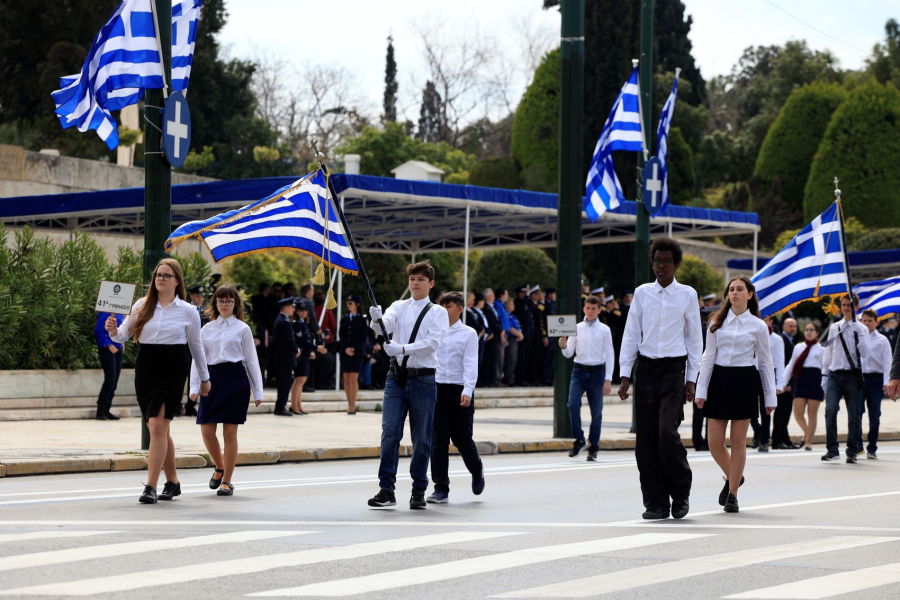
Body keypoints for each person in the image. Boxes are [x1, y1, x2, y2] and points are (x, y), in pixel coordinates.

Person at [106, 258, 210, 504]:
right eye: (158, 275)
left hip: (174, 365)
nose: (161, 279)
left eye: (166, 275)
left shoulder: (188, 310)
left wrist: (204, 378)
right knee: (158, 428)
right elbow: (123, 335)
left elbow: (196, 346)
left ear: (177, 281)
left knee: (158, 426)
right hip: (147, 365)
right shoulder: (141, 305)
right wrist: (112, 330)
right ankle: (172, 481)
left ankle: (150, 486)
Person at [618, 238, 702, 520]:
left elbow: (694, 338)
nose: (661, 266)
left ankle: (680, 494)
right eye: (657, 261)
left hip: (674, 371)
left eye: (666, 261)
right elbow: (631, 334)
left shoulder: (688, 294)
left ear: (676, 264)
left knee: (667, 432)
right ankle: (655, 502)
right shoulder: (642, 293)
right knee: (646, 439)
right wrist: (625, 375)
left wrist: (692, 379)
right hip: (646, 370)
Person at [366, 260, 450, 510]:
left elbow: (433, 343)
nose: (415, 283)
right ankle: (386, 489)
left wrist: (402, 348)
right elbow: (384, 327)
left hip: (423, 378)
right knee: (390, 432)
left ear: (431, 283)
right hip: (396, 377)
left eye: (421, 279)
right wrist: (376, 319)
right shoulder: (398, 306)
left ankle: (418, 490)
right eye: (412, 279)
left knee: (421, 438)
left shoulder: (438, 312)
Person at [695, 276, 777, 514]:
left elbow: (765, 363)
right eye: (731, 289)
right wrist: (701, 390)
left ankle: (732, 494)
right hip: (719, 381)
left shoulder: (759, 326)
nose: (734, 293)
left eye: (740, 289)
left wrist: (770, 398)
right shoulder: (715, 323)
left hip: (745, 382)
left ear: (750, 295)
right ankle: (735, 476)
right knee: (713, 442)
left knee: (739, 440)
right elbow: (707, 359)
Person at [188, 285, 263, 497]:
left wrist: (258, 391)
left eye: (229, 301)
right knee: (206, 429)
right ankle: (219, 467)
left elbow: (251, 360)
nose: (225, 304)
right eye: (221, 301)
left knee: (230, 433)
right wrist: (194, 386)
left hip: (236, 380)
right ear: (215, 303)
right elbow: (199, 359)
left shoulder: (243, 329)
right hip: (211, 379)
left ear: (235, 304)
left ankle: (227, 481)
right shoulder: (206, 329)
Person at [427, 291, 485, 503]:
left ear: (459, 309)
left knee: (462, 440)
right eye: (441, 306)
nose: (443, 310)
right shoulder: (433, 331)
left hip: (460, 390)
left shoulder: (468, 333)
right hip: (437, 390)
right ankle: (441, 488)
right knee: (438, 441)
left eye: (448, 306)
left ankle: (476, 469)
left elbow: (471, 363)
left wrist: (468, 390)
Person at [558, 295, 614, 462]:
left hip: (597, 372)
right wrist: (563, 346)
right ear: (584, 309)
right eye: (587, 308)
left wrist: (608, 379)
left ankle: (593, 446)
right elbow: (569, 353)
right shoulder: (577, 327)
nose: (590, 311)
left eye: (593, 308)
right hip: (579, 371)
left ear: (599, 310)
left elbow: (610, 354)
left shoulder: (605, 329)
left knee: (596, 413)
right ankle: (579, 439)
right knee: (572, 403)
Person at [820, 294, 869, 463]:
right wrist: (824, 375)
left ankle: (852, 450)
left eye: (849, 305)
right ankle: (832, 450)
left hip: (852, 376)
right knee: (830, 410)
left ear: (856, 307)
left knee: (854, 415)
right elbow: (828, 352)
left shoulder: (861, 328)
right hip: (834, 374)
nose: (846, 308)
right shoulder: (835, 327)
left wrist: (859, 336)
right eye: (844, 305)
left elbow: (865, 354)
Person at [785, 322, 825, 450]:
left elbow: (825, 369)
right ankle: (808, 433)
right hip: (801, 379)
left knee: (812, 413)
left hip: (815, 380)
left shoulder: (822, 349)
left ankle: (808, 442)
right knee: (798, 413)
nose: (808, 332)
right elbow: (791, 365)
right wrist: (782, 382)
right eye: (807, 329)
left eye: (812, 330)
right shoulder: (799, 347)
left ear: (816, 333)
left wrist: (825, 387)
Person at [857, 309, 891, 459]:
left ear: (876, 322)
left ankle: (872, 448)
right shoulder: (857, 338)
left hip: (876, 379)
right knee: (856, 413)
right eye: (864, 320)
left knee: (875, 415)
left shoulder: (882, 340)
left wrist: (886, 383)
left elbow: (887, 363)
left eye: (870, 320)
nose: (867, 323)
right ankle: (857, 446)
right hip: (859, 379)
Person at [750, 319, 786, 453]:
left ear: (771, 321)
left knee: (766, 409)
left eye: (767, 319)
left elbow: (779, 360)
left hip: (768, 372)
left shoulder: (776, 339)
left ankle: (764, 440)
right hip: (752, 372)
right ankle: (758, 431)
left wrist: (779, 383)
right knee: (749, 407)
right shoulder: (751, 333)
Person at [772, 318, 799, 449]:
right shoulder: (781, 341)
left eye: (794, 326)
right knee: (780, 413)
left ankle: (785, 439)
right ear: (784, 327)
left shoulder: (791, 342)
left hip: (790, 384)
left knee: (786, 413)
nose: (793, 328)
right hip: (783, 384)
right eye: (790, 326)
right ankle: (777, 440)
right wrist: (782, 383)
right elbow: (781, 363)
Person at [289, 299, 319, 415]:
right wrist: (315, 348)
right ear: (296, 311)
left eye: (305, 310)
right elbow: (301, 341)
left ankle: (298, 405)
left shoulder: (303, 324)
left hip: (305, 355)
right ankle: (294, 405)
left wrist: (311, 350)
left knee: (301, 381)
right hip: (300, 356)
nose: (303, 312)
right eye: (301, 310)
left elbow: (307, 340)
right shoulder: (297, 324)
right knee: (299, 380)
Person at [340, 294, 368, 414]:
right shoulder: (344, 318)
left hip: (357, 352)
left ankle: (353, 404)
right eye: (347, 303)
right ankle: (349, 403)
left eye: (351, 303)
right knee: (346, 378)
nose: (348, 305)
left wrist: (354, 349)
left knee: (353, 377)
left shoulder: (362, 319)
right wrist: (346, 348)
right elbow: (342, 335)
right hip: (345, 352)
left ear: (357, 304)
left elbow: (363, 337)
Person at [94, 311, 124, 421]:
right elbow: (98, 330)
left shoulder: (120, 313)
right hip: (107, 349)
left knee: (115, 380)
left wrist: (122, 342)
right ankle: (100, 410)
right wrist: (108, 345)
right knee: (110, 379)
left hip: (118, 348)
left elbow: (121, 330)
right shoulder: (106, 312)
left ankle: (107, 409)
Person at [272, 296, 299, 417]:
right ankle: (280, 406)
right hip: (284, 358)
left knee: (286, 382)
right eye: (292, 306)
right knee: (284, 383)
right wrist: (296, 349)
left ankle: (281, 405)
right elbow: (288, 340)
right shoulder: (283, 321)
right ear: (287, 307)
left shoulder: (283, 320)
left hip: (284, 358)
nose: (294, 309)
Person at [481, 289, 503, 387]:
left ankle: (490, 379)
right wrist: (500, 330)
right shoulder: (486, 308)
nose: (494, 297)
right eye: (492, 295)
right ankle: (486, 379)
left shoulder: (491, 307)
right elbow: (492, 322)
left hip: (495, 336)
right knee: (488, 359)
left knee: (492, 359)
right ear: (487, 297)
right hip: (491, 337)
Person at [493, 288, 511, 386]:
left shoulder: (501, 305)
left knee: (502, 357)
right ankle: (497, 379)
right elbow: (499, 319)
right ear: (502, 294)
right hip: (502, 333)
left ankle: (499, 378)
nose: (507, 296)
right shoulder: (498, 304)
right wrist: (502, 335)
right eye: (506, 294)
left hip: (504, 333)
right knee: (499, 357)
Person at [504, 298, 523, 386]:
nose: (513, 306)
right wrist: (519, 334)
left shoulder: (512, 315)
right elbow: (510, 328)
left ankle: (511, 377)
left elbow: (517, 326)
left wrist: (520, 334)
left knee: (514, 360)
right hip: (511, 339)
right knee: (510, 359)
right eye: (512, 304)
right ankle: (509, 379)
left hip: (516, 339)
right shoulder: (507, 315)